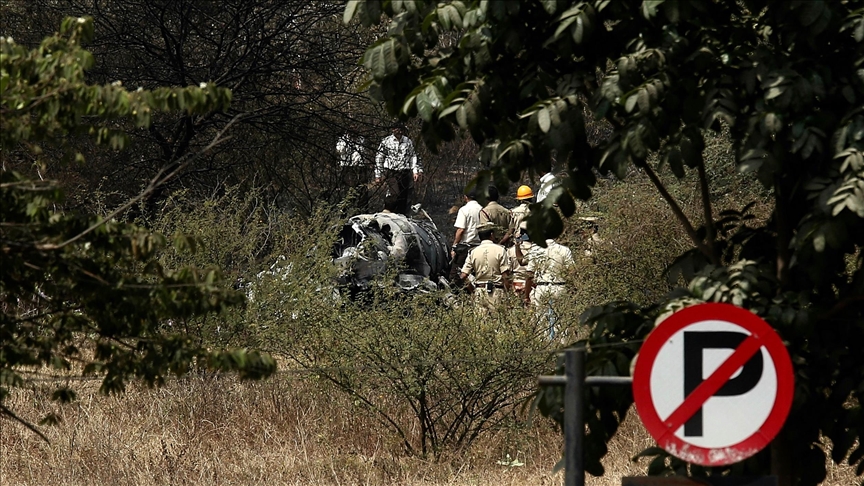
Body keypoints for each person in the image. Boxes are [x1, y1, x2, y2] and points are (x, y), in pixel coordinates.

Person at [527, 236, 575, 340]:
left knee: (541, 319)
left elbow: (530, 274)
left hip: (542, 287)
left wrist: (527, 294)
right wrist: (572, 287)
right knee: (561, 319)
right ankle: (562, 343)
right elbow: (572, 271)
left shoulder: (535, 250)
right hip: (559, 286)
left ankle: (543, 342)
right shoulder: (564, 250)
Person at [460, 223, 511, 310]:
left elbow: (463, 275)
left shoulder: (473, 252)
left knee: (480, 318)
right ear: (492, 235)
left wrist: (472, 291)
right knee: (497, 318)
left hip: (480, 291)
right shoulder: (500, 250)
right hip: (497, 292)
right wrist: (508, 295)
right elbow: (505, 276)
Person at [375, 124, 422, 215]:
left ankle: (401, 215)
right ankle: (387, 210)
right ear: (393, 130)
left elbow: (412, 156)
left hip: (404, 171)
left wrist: (415, 171)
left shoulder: (407, 141)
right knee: (394, 193)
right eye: (397, 129)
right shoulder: (386, 141)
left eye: (401, 129)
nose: (399, 131)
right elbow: (379, 157)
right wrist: (378, 174)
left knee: (403, 195)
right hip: (391, 171)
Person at [449, 188, 482, 287]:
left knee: (455, 275)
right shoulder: (482, 209)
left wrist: (454, 245)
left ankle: (460, 293)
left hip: (466, 247)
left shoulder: (464, 210)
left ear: (465, 197)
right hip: (479, 246)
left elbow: (461, 230)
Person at [506, 222, 535, 305]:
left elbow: (508, 272)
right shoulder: (536, 250)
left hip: (516, 284)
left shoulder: (511, 250)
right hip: (532, 286)